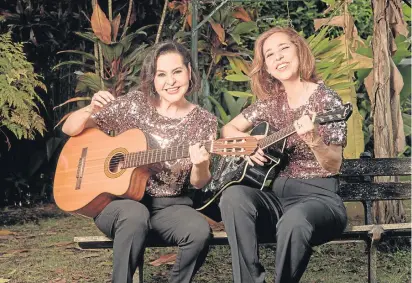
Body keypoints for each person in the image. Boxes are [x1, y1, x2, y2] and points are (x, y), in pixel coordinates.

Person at [62, 41, 217, 283]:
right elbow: (69, 128)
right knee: (134, 214)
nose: (171, 81)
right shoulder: (134, 105)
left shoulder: (204, 121)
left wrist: (200, 165)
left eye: (177, 71)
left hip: (169, 206)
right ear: (152, 79)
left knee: (198, 232)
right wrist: (89, 109)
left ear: (189, 71)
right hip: (117, 203)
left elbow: (199, 183)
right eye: (161, 74)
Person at [218, 27, 348, 283]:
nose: (278, 57)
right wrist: (247, 144)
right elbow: (227, 129)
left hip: (319, 200)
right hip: (278, 198)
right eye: (270, 54)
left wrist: (314, 140)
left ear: (299, 51)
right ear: (266, 67)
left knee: (295, 221)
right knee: (233, 195)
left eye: (284, 48)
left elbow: (333, 164)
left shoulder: (326, 101)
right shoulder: (271, 103)